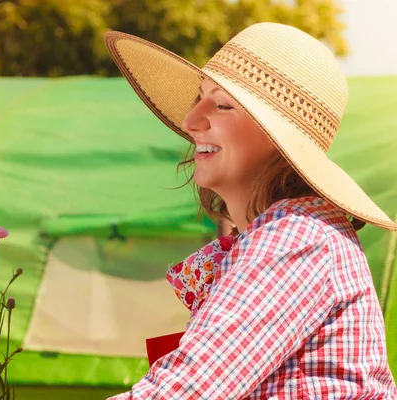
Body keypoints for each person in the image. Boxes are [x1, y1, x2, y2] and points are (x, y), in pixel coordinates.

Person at [104, 22, 397, 399]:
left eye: (223, 104)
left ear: (280, 141)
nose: (190, 121)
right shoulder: (294, 234)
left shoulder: (296, 237)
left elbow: (186, 391)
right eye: (200, 98)